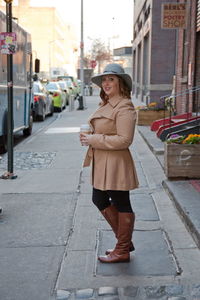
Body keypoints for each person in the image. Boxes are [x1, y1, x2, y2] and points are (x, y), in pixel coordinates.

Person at [80, 63, 139, 263]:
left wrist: (94, 139)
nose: (106, 83)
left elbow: (125, 139)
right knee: (99, 199)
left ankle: (122, 249)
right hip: (102, 161)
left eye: (111, 79)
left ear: (120, 83)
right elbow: (105, 130)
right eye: (104, 79)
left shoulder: (124, 106)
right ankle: (124, 242)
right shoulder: (106, 103)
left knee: (121, 202)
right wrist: (90, 136)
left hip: (115, 163)